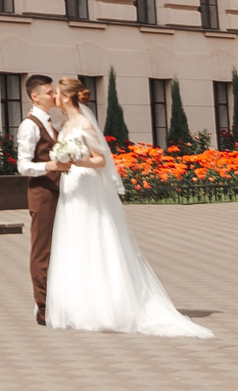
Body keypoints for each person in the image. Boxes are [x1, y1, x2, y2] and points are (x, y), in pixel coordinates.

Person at [42, 78, 213, 337]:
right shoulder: (64, 125)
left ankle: (108, 306)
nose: (53, 96)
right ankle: (78, 306)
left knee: (95, 239)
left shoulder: (85, 124)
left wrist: (77, 161)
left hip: (87, 184)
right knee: (74, 241)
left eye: (56, 93)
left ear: (67, 97)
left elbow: (100, 160)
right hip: (71, 188)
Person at [15, 76, 61, 325]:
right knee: (42, 250)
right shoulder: (29, 125)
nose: (54, 96)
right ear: (35, 96)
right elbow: (22, 166)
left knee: (56, 248)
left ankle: (56, 300)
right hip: (42, 194)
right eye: (49, 92)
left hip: (56, 191)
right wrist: (51, 165)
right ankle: (42, 307)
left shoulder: (52, 123)